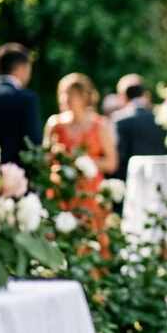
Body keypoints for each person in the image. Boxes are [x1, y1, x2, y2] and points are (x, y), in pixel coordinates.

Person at [44, 73, 118, 236]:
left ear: (85, 97)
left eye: (71, 94)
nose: (66, 99)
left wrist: (84, 163)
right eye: (63, 94)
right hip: (61, 191)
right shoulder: (54, 124)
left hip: (90, 193)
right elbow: (45, 160)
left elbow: (111, 163)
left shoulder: (100, 125)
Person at [112, 74, 167, 180]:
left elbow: (119, 158)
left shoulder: (119, 121)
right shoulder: (163, 119)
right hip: (162, 180)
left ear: (123, 96)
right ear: (144, 93)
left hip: (131, 182)